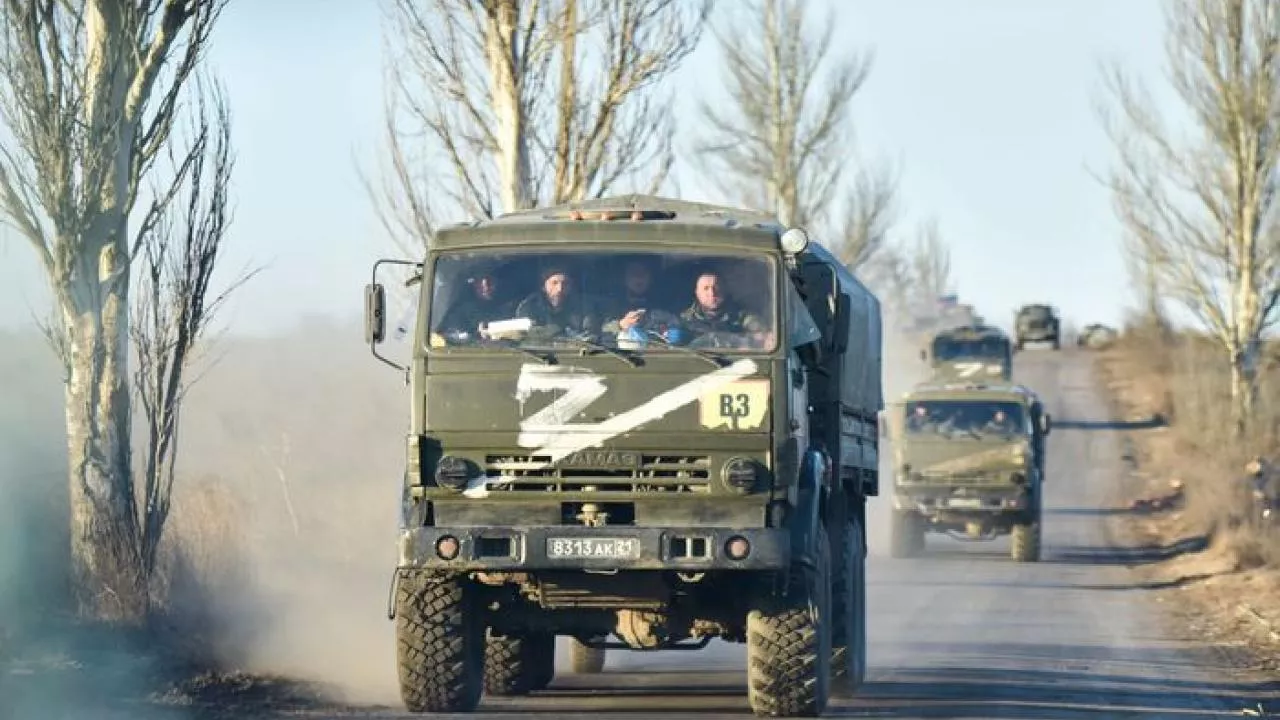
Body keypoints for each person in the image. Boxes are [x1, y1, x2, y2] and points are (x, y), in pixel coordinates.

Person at [678, 270, 771, 347]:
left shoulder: (743, 316)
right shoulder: (685, 319)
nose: (712, 293)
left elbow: (761, 335)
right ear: (697, 293)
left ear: (724, 289)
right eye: (706, 288)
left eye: (716, 287)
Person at [514, 265, 599, 341]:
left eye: (565, 283)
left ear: (571, 287)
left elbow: (590, 335)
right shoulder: (529, 307)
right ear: (543, 287)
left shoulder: (583, 307)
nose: (560, 289)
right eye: (554, 283)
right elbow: (525, 336)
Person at [434, 272, 511, 340]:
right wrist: (475, 334)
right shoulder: (462, 310)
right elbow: (448, 335)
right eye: (481, 282)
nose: (484, 286)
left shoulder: (505, 310)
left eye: (490, 283)